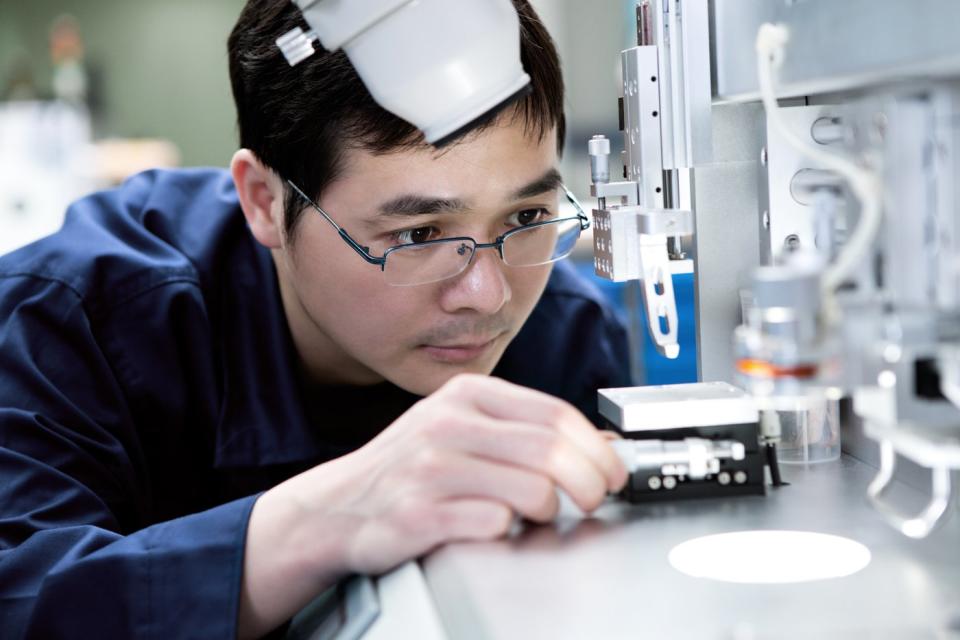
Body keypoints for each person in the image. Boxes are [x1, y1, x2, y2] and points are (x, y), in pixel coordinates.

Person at [0, 0, 631, 637]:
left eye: (524, 218)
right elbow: (19, 601)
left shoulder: (564, 333)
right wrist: (327, 520)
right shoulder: (71, 318)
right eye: (417, 234)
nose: (489, 294)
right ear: (265, 202)